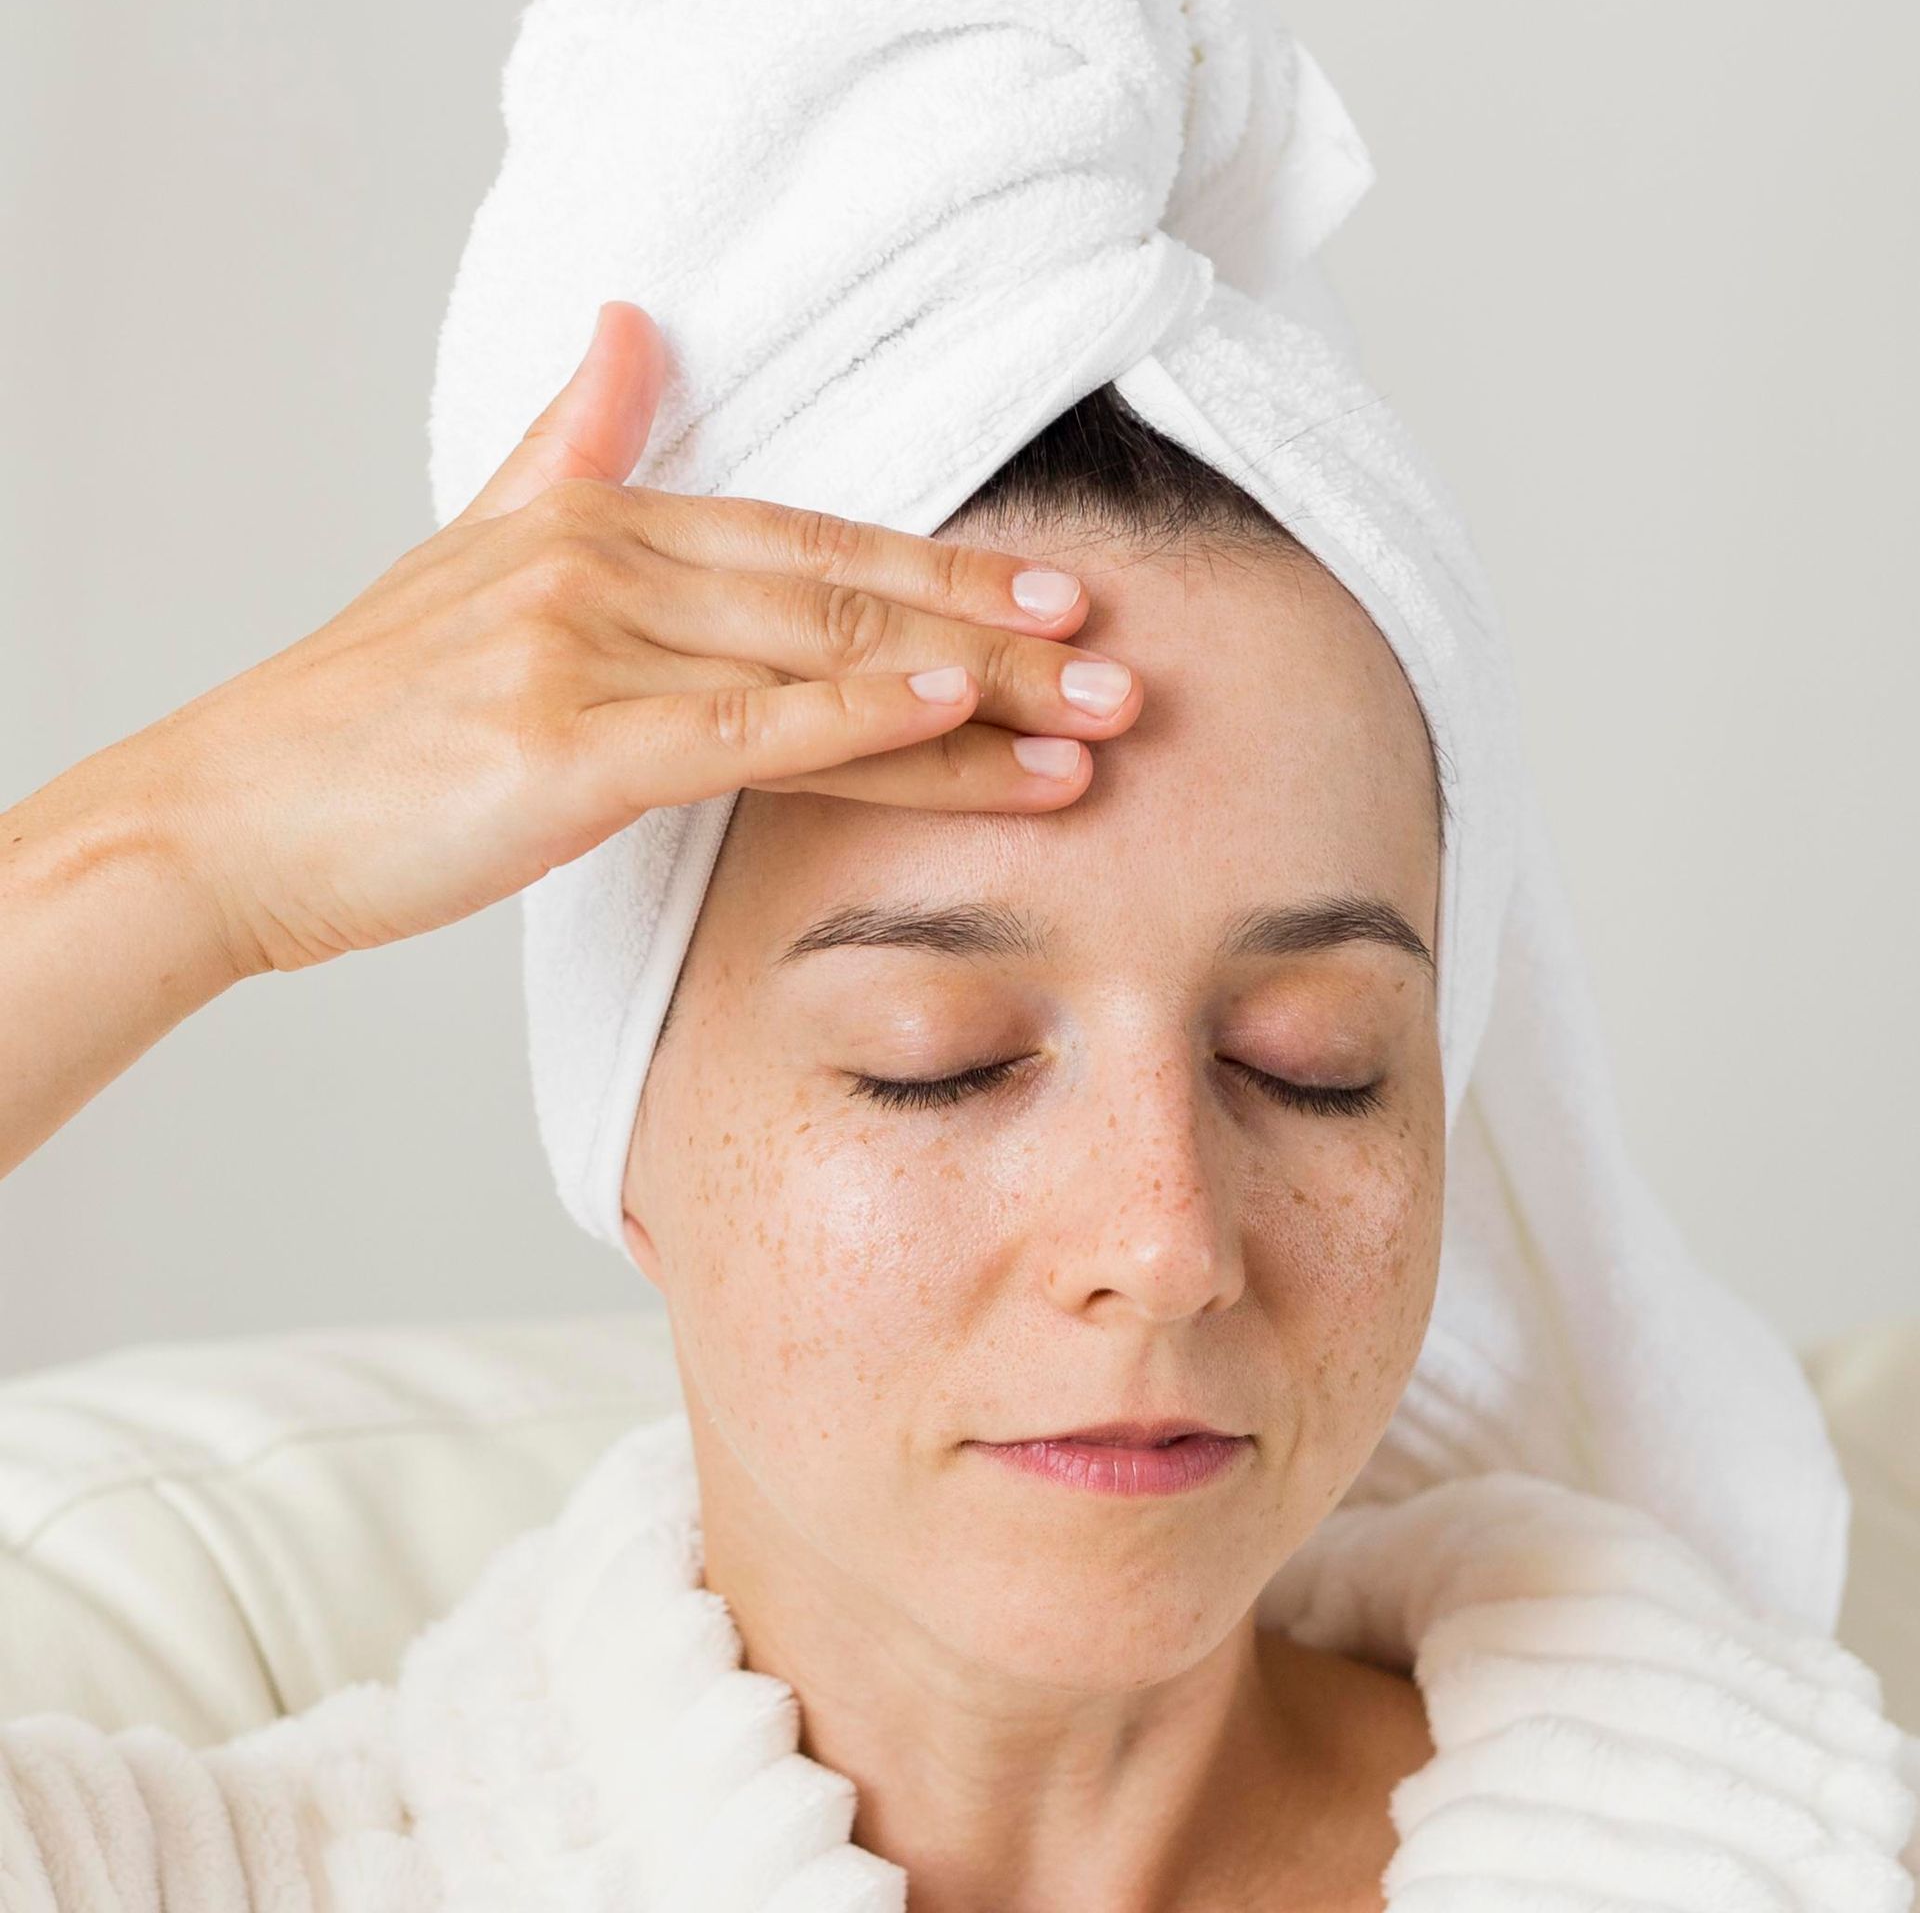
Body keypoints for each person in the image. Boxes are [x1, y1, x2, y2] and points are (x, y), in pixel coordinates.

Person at [4, 306, 1913, 1913]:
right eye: (940, 1055)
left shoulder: (1793, 1840)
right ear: (627, 1134)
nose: (1163, 1241)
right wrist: (177, 856)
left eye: (1312, 1060)